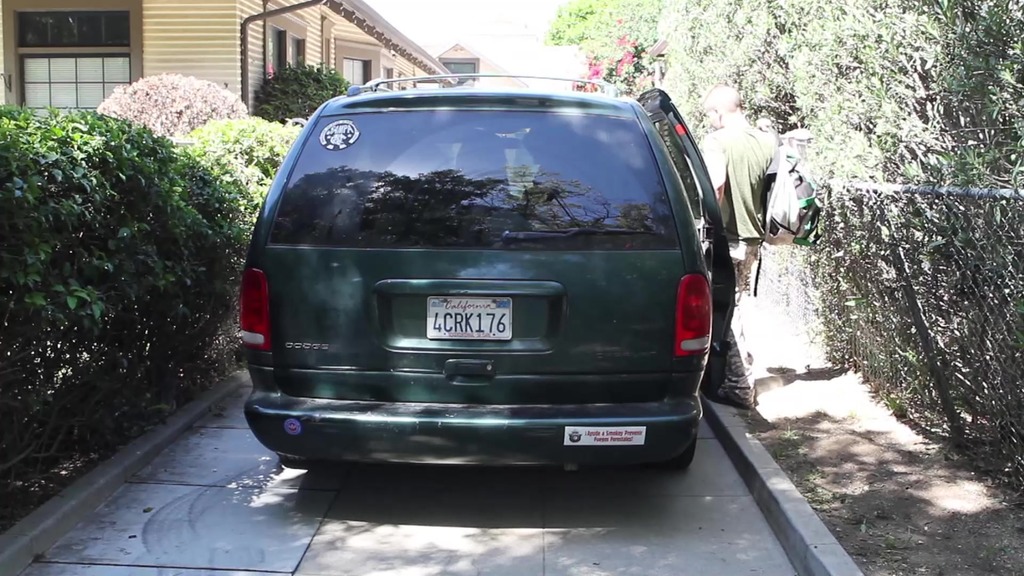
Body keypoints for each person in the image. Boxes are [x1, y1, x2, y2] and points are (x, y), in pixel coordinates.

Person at [699, 85, 777, 409]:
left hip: (727, 239)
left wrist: (704, 227)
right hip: (753, 239)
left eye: (710, 115)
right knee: (738, 305)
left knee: (728, 309)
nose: (710, 121)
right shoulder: (767, 141)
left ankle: (740, 386)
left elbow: (716, 186)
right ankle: (733, 377)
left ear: (719, 112)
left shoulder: (717, 141)